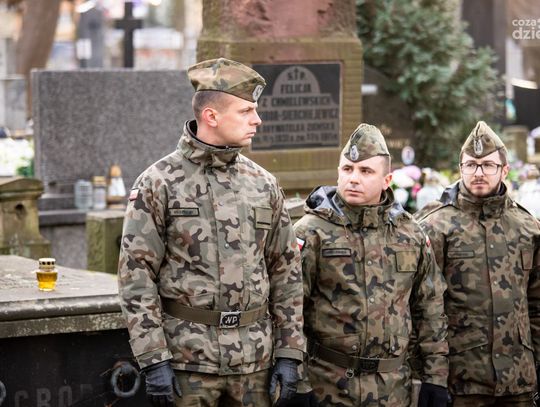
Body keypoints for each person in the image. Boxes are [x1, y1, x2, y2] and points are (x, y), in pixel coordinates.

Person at [118, 57, 306, 407]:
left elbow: (286, 270)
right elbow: (136, 275)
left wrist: (290, 352)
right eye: (246, 111)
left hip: (255, 364)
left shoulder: (263, 184)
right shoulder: (159, 182)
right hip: (187, 362)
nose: (257, 120)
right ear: (211, 116)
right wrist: (154, 358)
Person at [292, 123, 449, 406]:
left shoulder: (409, 234)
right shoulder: (311, 232)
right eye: (347, 169)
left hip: (392, 391)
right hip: (328, 387)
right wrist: (298, 381)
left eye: (365, 171)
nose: (354, 178)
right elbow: (290, 310)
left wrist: (435, 377)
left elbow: (430, 308)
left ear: (386, 180)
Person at [415, 121, 540, 406]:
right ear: (460, 169)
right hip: (461, 381)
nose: (479, 173)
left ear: (504, 170)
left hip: (518, 380)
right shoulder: (436, 227)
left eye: (488, 165)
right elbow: (421, 307)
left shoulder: (527, 227)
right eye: (471, 165)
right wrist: (430, 377)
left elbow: (536, 303)